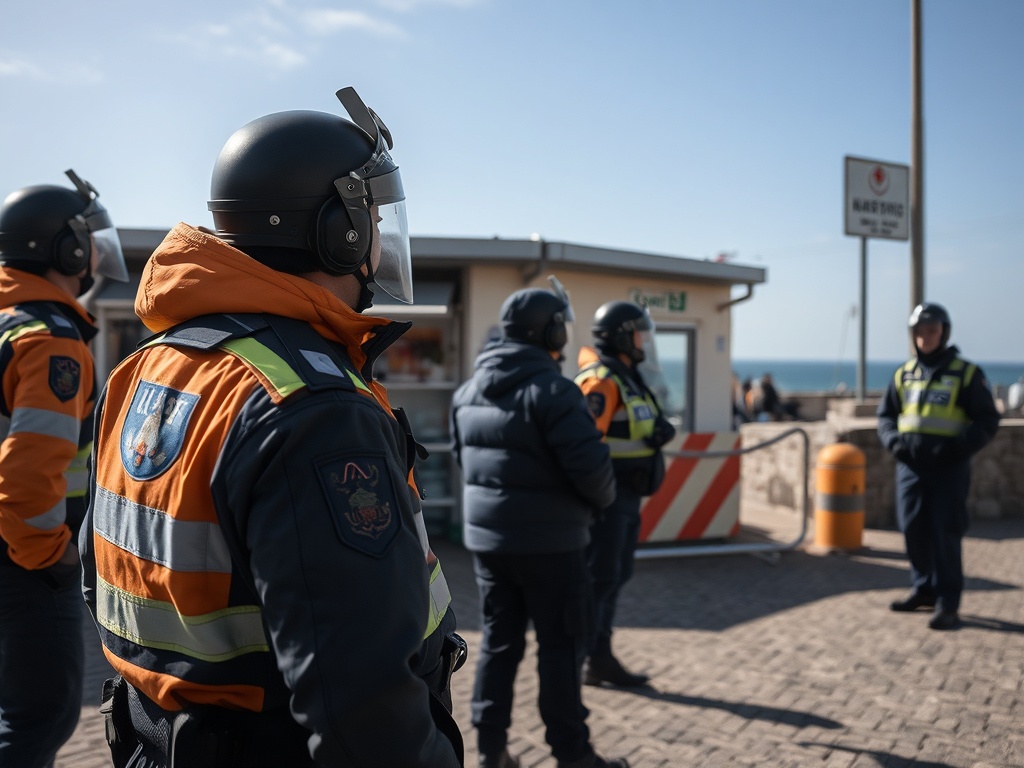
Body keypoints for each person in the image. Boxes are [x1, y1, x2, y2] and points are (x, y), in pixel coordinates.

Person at [79, 88, 465, 767]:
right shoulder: (313, 407)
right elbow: (360, 701)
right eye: (371, 213)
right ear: (338, 228)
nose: (379, 235)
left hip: (156, 736)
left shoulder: (144, 366)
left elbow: (98, 570)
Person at [450, 288, 627, 768]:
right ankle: (573, 755)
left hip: (489, 546)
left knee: (499, 645)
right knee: (561, 649)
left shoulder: (466, 393)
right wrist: (603, 502)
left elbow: (465, 462)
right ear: (551, 332)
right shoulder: (554, 391)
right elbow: (594, 474)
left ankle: (490, 752)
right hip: (553, 547)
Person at [0, 170, 127, 768]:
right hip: (22, 560)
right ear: (66, 248)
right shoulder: (50, 339)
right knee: (39, 719)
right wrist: (50, 558)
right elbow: (28, 471)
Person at [877, 302, 1000, 631]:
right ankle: (924, 590)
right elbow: (886, 417)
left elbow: (987, 420)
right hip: (911, 467)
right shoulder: (904, 374)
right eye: (919, 331)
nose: (925, 337)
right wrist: (895, 443)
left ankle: (948, 602)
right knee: (913, 529)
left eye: (931, 330)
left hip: (949, 468)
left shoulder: (966, 373)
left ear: (943, 332)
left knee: (945, 532)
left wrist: (958, 448)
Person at [575, 301, 675, 688]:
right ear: (620, 336)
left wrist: (658, 430)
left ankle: (599, 656)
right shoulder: (602, 381)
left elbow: (633, 423)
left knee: (615, 577)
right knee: (600, 580)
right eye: (638, 333)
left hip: (627, 497)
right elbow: (585, 445)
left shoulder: (628, 377)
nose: (643, 341)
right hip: (608, 500)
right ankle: (587, 658)